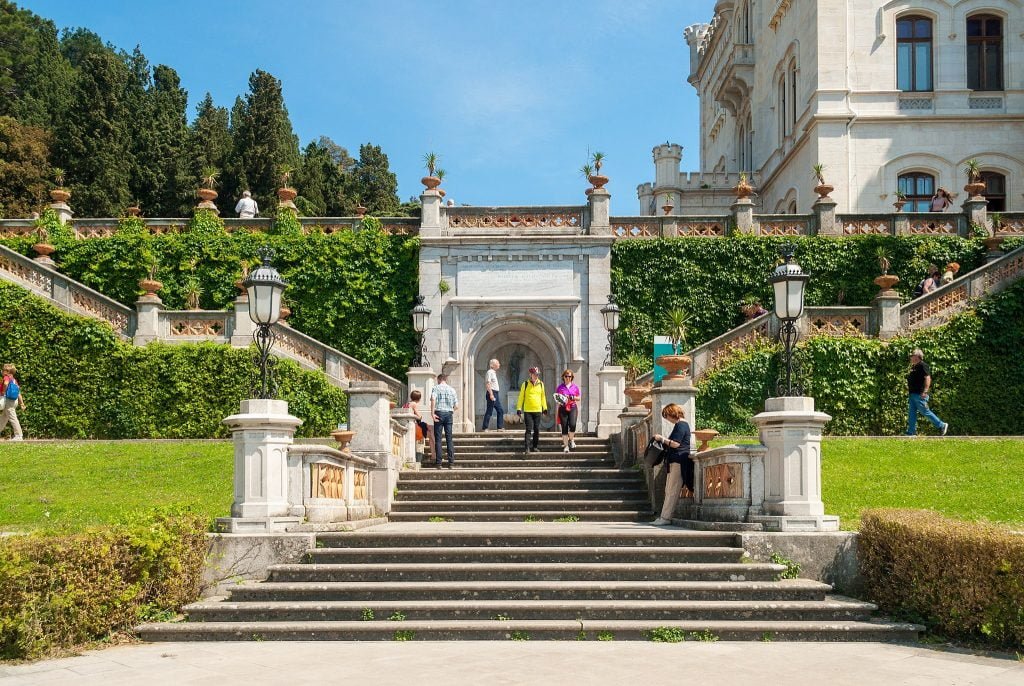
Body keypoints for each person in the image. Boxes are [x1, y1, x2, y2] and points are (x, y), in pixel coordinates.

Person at [651, 403, 691, 525]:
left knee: (672, 490)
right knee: (669, 490)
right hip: (675, 460)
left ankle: (665, 518)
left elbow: (676, 444)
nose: (667, 419)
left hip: (678, 460)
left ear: (672, 414)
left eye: (667, 416)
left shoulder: (681, 425)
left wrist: (661, 439)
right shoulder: (681, 425)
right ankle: (664, 517)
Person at [906, 348, 948, 437]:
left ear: (917, 356)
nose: (910, 358)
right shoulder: (914, 367)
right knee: (911, 413)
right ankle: (911, 432)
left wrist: (925, 391)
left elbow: (928, 378)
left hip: (919, 394)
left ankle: (941, 425)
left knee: (925, 411)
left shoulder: (923, 365)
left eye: (912, 356)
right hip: (913, 394)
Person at [516, 367, 548, 453]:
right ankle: (527, 447)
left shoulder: (541, 384)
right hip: (528, 411)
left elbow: (543, 397)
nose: (536, 376)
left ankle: (535, 446)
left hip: (538, 410)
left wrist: (544, 408)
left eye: (537, 374)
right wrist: (519, 408)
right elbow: (521, 397)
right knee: (528, 429)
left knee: (537, 429)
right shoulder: (525, 384)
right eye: (534, 374)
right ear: (530, 374)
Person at [429, 374, 458, 468]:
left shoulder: (436, 388)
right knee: (449, 438)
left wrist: (432, 413)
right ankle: (451, 463)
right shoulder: (452, 390)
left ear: (439, 379)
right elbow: (456, 406)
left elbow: (433, 399)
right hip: (449, 414)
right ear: (446, 379)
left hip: (439, 413)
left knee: (438, 439)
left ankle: (439, 463)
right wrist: (451, 410)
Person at [555, 369, 581, 453]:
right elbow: (557, 399)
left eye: (569, 376)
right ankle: (566, 446)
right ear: (563, 377)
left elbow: (579, 398)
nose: (568, 378)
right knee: (564, 427)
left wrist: (572, 397)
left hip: (572, 407)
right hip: (563, 408)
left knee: (573, 425)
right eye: (566, 376)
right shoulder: (560, 387)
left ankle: (571, 439)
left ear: (572, 377)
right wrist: (563, 399)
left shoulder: (575, 387)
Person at [0, 364, 26, 441]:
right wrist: (22, 403)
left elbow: (5, 384)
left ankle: (19, 435)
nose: (1, 371)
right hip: (14, 401)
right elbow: (18, 393)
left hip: (8, 401)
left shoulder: (6, 377)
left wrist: (3, 392)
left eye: (3, 370)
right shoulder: (14, 380)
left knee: (12, 417)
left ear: (7, 372)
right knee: (4, 417)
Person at [481, 358, 505, 431]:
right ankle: (485, 427)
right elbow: (488, 383)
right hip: (492, 393)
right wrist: (491, 394)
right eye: (498, 363)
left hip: (495, 393)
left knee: (500, 410)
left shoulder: (493, 372)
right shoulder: (490, 372)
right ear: (493, 365)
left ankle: (499, 427)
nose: (499, 364)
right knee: (489, 411)